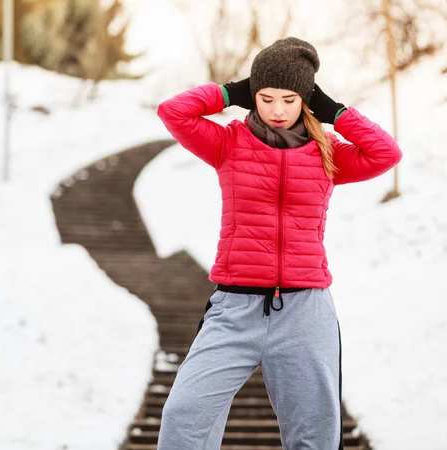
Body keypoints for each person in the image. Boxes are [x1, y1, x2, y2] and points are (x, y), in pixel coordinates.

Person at [155, 37, 402, 450]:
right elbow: (173, 112)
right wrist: (231, 92)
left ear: (306, 99)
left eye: (290, 99)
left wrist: (336, 113)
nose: (277, 110)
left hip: (305, 312)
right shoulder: (229, 143)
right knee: (185, 416)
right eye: (265, 98)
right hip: (234, 307)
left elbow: (385, 153)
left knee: (315, 435)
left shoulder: (329, 154)